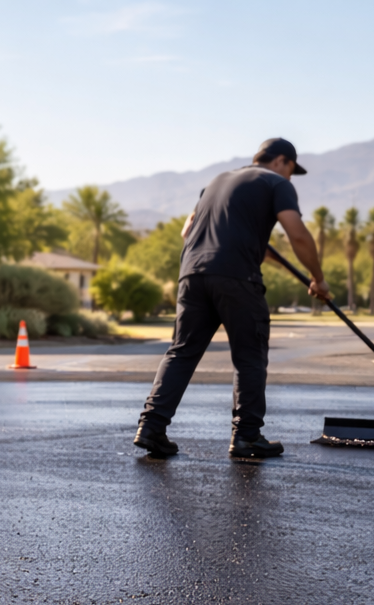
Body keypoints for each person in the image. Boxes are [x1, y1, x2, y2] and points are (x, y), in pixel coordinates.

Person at [133, 138, 330, 459]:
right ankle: (247, 436)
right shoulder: (276, 182)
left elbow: (188, 231)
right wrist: (317, 278)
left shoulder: (217, 182)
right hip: (237, 278)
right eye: (292, 170)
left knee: (182, 351)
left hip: (192, 274)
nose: (291, 178)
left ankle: (151, 427)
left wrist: (276, 259)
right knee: (249, 354)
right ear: (281, 161)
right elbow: (297, 233)